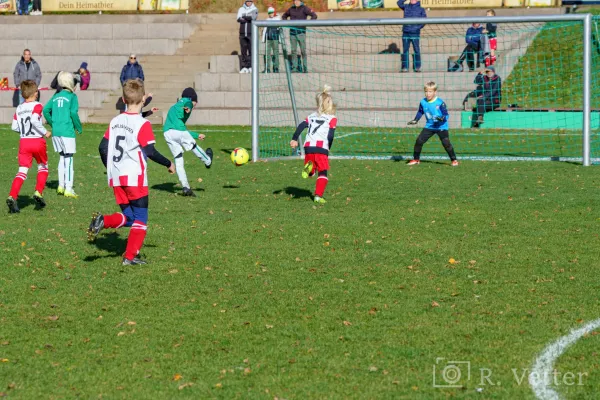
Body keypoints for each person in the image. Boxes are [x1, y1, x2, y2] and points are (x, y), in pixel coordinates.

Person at [90, 79, 175, 266]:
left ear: (123, 99)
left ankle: (104, 221)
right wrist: (169, 163)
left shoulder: (115, 121)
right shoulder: (142, 124)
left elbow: (102, 147)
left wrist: (110, 169)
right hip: (134, 178)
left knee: (129, 218)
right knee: (141, 219)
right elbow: (150, 151)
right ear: (144, 99)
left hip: (116, 178)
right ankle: (130, 257)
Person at [6, 80, 51, 214]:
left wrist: (25, 132)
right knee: (43, 166)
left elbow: (14, 127)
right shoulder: (37, 105)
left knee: (22, 171)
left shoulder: (19, 108)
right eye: (37, 90)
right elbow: (33, 120)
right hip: (37, 141)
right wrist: (45, 132)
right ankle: (38, 192)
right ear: (35, 93)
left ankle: (12, 196)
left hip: (24, 142)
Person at [290, 85, 337, 204]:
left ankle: (310, 170)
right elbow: (330, 135)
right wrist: (328, 148)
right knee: (323, 172)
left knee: (312, 168)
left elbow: (301, 126)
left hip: (308, 146)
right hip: (321, 148)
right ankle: (317, 196)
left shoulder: (311, 116)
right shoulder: (332, 118)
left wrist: (294, 139)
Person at [163, 88, 214, 197]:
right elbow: (187, 102)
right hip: (178, 131)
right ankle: (208, 161)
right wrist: (189, 106)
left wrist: (196, 135)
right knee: (193, 146)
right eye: (195, 102)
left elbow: (181, 130)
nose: (196, 104)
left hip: (168, 133)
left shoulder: (174, 108)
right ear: (192, 99)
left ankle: (185, 187)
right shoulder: (186, 101)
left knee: (178, 159)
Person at [42, 72, 83, 198]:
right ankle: (69, 188)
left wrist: (52, 123)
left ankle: (61, 185)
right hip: (67, 131)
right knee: (69, 158)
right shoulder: (72, 96)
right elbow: (73, 113)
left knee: (62, 157)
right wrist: (78, 127)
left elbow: (45, 110)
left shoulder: (56, 96)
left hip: (56, 132)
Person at [406, 81, 458, 166]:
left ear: (435, 92)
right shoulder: (423, 102)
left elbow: (446, 115)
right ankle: (416, 159)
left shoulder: (440, 102)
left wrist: (441, 118)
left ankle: (454, 160)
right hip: (429, 126)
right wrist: (416, 120)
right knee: (419, 141)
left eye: (430, 91)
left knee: (446, 143)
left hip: (441, 126)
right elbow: (420, 111)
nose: (427, 94)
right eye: (426, 91)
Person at [282, 0, 317, 73]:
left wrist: (308, 23)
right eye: (294, 1)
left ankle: (305, 68)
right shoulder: (291, 9)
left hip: (301, 33)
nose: (296, 2)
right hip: (292, 33)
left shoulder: (304, 8)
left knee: (303, 51)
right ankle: (295, 67)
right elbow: (284, 16)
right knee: (293, 51)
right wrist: (287, 23)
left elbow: (314, 15)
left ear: (301, 1)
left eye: (297, 0)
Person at [397, 0, 426, 73]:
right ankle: (405, 67)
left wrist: (417, 28)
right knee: (405, 50)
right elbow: (399, 3)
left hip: (415, 33)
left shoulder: (421, 9)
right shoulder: (406, 7)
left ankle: (417, 67)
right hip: (406, 32)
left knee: (416, 50)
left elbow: (424, 21)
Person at [237, 0, 258, 74]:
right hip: (242, 33)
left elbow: (253, 17)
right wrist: (247, 17)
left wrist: (244, 16)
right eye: (247, 1)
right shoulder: (241, 9)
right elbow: (239, 19)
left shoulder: (255, 9)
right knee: (243, 51)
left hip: (250, 33)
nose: (248, 2)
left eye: (250, 1)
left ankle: (250, 67)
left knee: (251, 50)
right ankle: (244, 67)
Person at [262, 6, 282, 73]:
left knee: (275, 53)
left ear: (274, 12)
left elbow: (280, 29)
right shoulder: (267, 20)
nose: (270, 14)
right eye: (269, 13)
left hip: (275, 38)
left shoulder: (277, 19)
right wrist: (263, 39)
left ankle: (276, 67)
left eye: (272, 12)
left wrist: (280, 39)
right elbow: (265, 29)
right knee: (267, 54)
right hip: (268, 38)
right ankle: (267, 68)